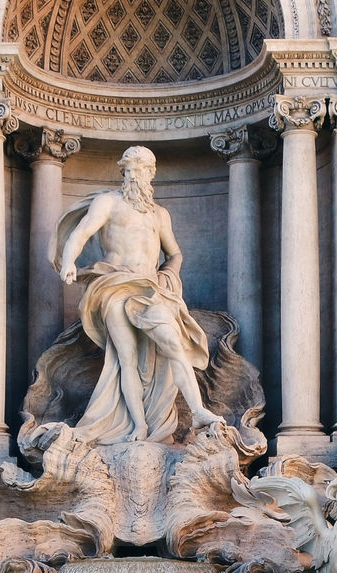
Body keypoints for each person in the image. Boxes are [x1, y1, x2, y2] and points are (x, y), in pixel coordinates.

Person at [48, 145, 226, 444]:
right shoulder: (108, 202)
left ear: (150, 174)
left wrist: (169, 274)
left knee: (172, 343)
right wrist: (68, 262)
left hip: (150, 289)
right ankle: (138, 426)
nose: (132, 175)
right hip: (114, 284)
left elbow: (175, 253)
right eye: (127, 170)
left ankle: (197, 410)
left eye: (138, 170)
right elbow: (80, 233)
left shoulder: (159, 215)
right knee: (125, 357)